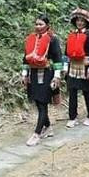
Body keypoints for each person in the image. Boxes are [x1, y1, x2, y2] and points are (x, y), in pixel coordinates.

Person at [22, 15, 63, 146]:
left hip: (47, 73)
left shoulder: (52, 40)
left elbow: (57, 58)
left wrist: (57, 76)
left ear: (47, 25)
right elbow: (25, 58)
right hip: (33, 73)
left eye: (41, 24)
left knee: (43, 102)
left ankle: (37, 134)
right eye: (36, 24)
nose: (38, 26)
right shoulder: (30, 39)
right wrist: (24, 73)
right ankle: (48, 127)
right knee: (38, 102)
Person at [63, 8, 89, 127]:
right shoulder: (71, 35)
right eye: (78, 20)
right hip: (72, 66)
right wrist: (64, 67)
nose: (79, 22)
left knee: (87, 92)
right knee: (72, 91)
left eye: (82, 21)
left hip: (85, 67)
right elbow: (66, 53)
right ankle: (72, 117)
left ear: (86, 23)